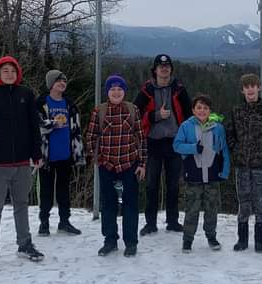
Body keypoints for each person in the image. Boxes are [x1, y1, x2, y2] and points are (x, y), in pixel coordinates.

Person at [0, 55, 44, 270]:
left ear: (18, 73)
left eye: (13, 71)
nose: (9, 74)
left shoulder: (26, 94)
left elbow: (34, 127)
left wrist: (36, 154)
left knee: (21, 205)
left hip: (22, 163)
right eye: (5, 71)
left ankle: (24, 244)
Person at [86, 74, 146, 257]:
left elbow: (141, 138)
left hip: (129, 163)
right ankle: (110, 240)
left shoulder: (132, 109)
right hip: (107, 165)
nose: (116, 92)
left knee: (130, 204)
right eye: (112, 89)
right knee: (108, 204)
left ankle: (131, 242)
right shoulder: (100, 111)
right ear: (107, 92)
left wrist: (142, 163)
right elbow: (91, 136)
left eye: (120, 89)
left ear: (124, 92)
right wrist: (96, 159)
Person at [134, 54, 191, 235]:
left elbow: (189, 114)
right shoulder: (147, 90)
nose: (164, 68)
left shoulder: (179, 89)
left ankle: (172, 221)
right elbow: (136, 114)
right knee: (151, 185)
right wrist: (156, 116)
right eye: (160, 66)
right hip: (153, 143)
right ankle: (150, 223)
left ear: (171, 69)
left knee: (173, 185)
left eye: (167, 66)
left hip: (175, 143)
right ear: (155, 70)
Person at [225, 73, 262, 252]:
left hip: (260, 166)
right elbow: (229, 134)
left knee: (260, 203)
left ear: (259, 88)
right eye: (246, 87)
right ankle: (242, 240)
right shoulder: (237, 110)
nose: (250, 89)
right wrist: (236, 151)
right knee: (244, 202)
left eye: (253, 86)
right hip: (242, 165)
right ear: (242, 90)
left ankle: (260, 241)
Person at [173, 94, 229, 252]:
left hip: (213, 175)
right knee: (192, 210)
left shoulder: (218, 127)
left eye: (205, 108)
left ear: (210, 110)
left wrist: (224, 171)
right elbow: (176, 145)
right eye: (199, 107)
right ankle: (187, 240)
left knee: (212, 209)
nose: (202, 110)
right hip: (193, 176)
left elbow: (224, 150)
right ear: (193, 110)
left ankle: (211, 236)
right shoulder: (186, 126)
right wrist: (192, 148)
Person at [36, 69, 85, 236]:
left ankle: (64, 221)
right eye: (58, 81)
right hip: (46, 156)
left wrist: (78, 153)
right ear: (51, 84)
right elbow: (36, 126)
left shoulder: (70, 104)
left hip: (66, 155)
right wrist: (52, 124)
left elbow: (76, 129)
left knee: (64, 191)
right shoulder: (41, 102)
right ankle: (44, 222)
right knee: (46, 191)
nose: (62, 83)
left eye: (64, 81)